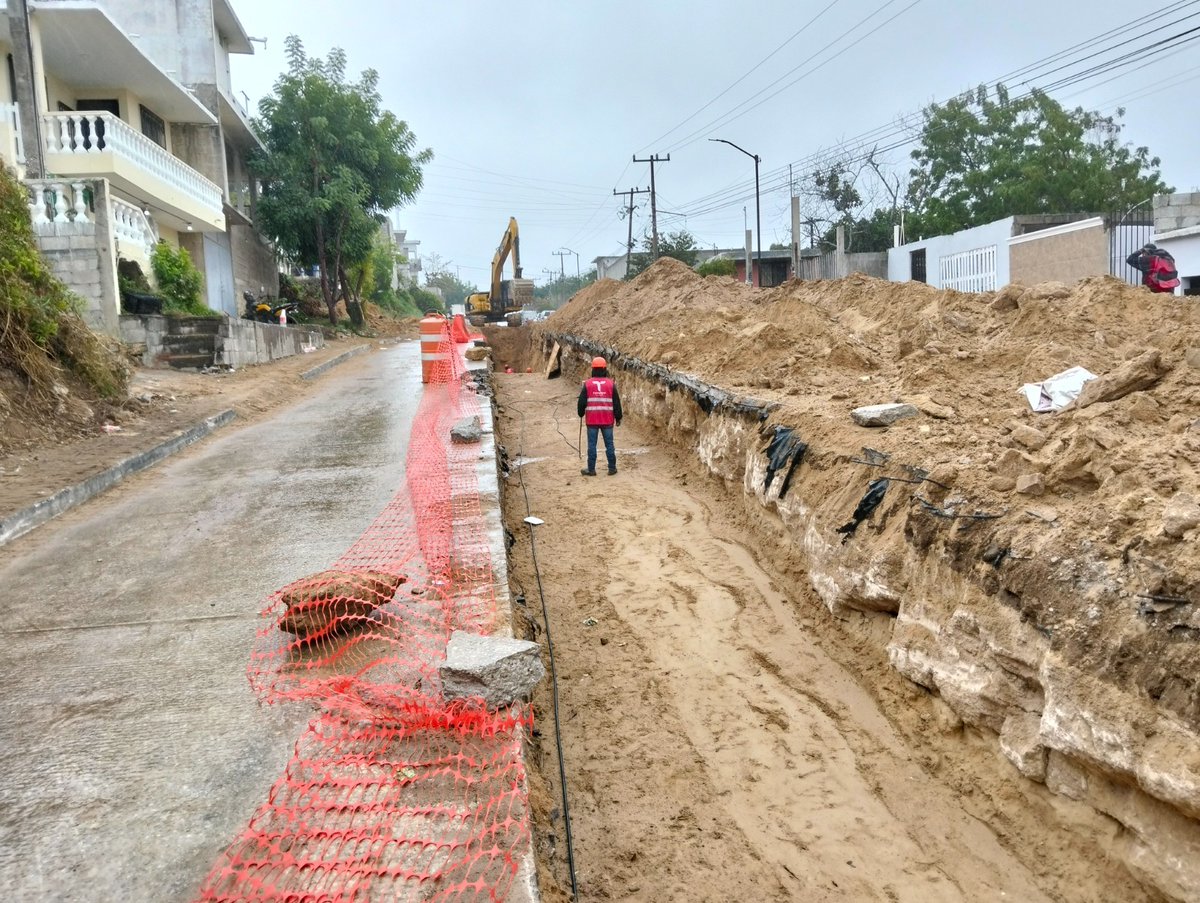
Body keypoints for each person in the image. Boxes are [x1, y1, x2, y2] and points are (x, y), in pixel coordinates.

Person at [577, 356, 622, 476]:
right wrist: (618, 417)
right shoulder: (611, 384)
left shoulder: (587, 384)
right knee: (610, 445)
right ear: (604, 369)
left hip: (592, 421)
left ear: (593, 369)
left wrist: (580, 413)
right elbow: (616, 403)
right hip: (607, 420)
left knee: (592, 445)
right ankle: (612, 468)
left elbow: (581, 402)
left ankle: (591, 469)